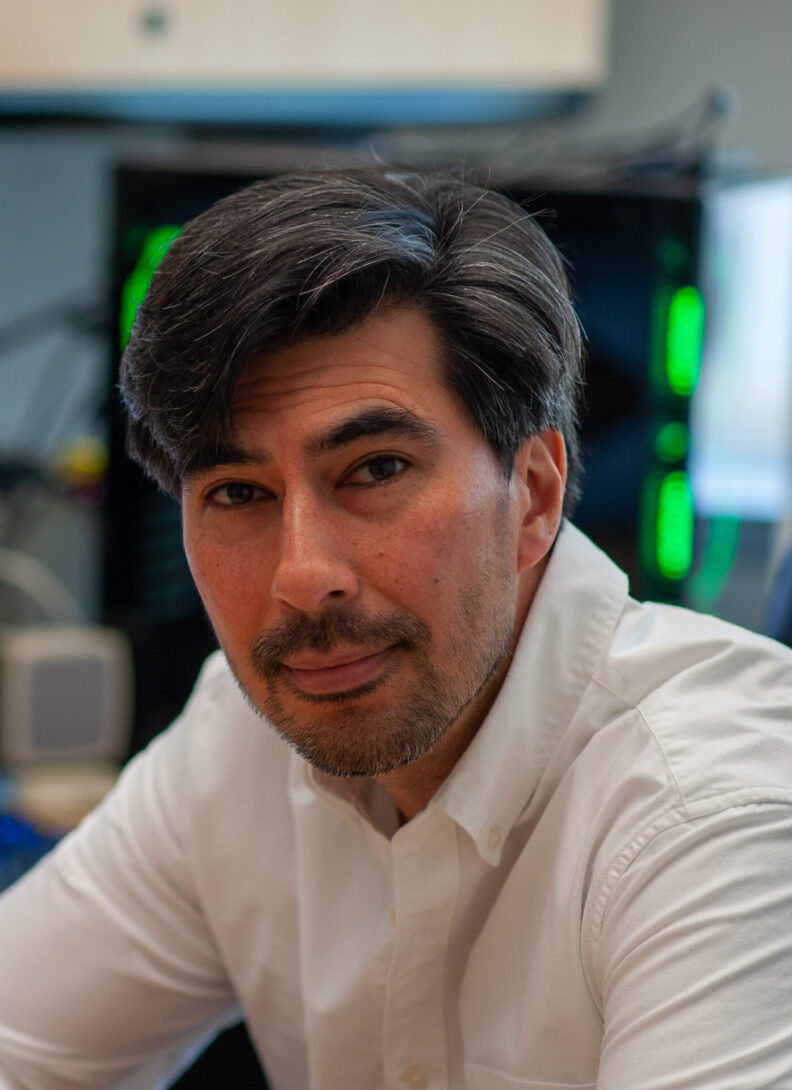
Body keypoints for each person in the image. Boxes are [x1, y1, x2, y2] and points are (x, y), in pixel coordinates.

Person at [0, 168, 791, 1090]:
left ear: (533, 495)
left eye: (375, 470)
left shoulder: (720, 811)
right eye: (238, 494)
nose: (304, 579)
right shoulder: (237, 743)